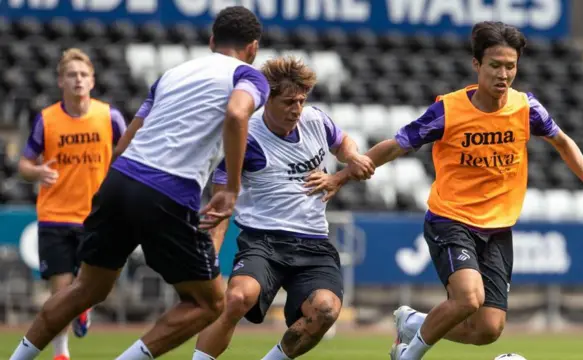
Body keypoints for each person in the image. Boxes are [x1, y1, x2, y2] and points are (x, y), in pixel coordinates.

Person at [308, 21, 583, 360]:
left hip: (497, 229)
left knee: (487, 330)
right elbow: (397, 145)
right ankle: (407, 355)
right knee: (467, 299)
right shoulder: (448, 111)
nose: (503, 74)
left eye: (510, 66)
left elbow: (563, 142)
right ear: (477, 65)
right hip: (451, 219)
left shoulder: (526, 108)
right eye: (495, 65)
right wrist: (342, 176)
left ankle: (413, 322)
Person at [9, 6, 270, 360]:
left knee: (86, 288)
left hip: (120, 178)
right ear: (253, 48)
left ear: (211, 41)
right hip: (168, 189)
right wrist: (232, 190)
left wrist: (114, 193)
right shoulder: (249, 76)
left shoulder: (173, 74)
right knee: (209, 303)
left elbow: (124, 144)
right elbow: (238, 113)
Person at [191, 57, 375, 360]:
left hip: (314, 243)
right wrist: (211, 257)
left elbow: (344, 143)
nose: (297, 109)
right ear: (267, 100)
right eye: (289, 102)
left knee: (326, 311)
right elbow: (221, 202)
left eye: (301, 100)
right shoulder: (244, 136)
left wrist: (351, 158)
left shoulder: (316, 120)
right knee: (237, 298)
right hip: (263, 241)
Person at [17, 48, 127, 360]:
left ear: (92, 80)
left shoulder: (110, 117)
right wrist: (37, 171)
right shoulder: (47, 120)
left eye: (83, 74)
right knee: (60, 291)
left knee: (88, 286)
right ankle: (62, 353)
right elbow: (24, 165)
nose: (78, 79)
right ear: (60, 82)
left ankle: (84, 309)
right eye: (71, 75)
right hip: (54, 216)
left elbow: (129, 152)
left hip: (95, 217)